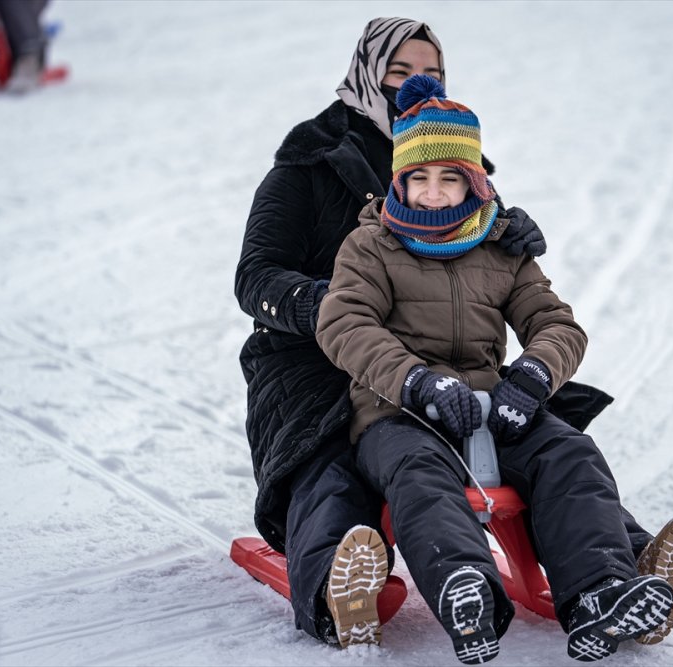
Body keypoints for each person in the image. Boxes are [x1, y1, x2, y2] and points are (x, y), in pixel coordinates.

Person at [315, 75, 673, 664]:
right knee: (423, 477)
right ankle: (466, 592)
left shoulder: (502, 248)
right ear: (399, 180)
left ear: (474, 181)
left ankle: (599, 593)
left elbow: (558, 325)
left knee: (569, 454)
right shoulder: (370, 247)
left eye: (449, 178)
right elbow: (344, 325)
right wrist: (415, 380)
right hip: (399, 415)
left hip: (494, 408)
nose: (432, 193)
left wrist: (532, 377)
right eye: (418, 177)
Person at [234, 17, 551, 649]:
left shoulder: (452, 151)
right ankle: (337, 584)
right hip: (314, 357)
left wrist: (508, 232)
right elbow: (255, 276)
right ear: (369, 73)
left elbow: (481, 271)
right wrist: (335, 306)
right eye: (399, 71)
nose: (416, 84)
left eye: (429, 73)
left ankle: (618, 558)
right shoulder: (310, 159)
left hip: (438, 356)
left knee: (539, 437)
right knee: (329, 453)